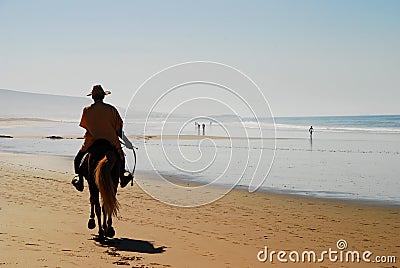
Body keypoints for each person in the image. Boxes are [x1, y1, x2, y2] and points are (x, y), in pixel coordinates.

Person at [72, 85, 133, 191]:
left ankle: (79, 179)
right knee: (121, 158)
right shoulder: (112, 110)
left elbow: (85, 126)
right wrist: (127, 142)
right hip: (111, 142)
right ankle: (122, 177)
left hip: (92, 142)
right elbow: (119, 131)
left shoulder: (87, 110)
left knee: (78, 159)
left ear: (93, 97)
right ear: (103, 97)